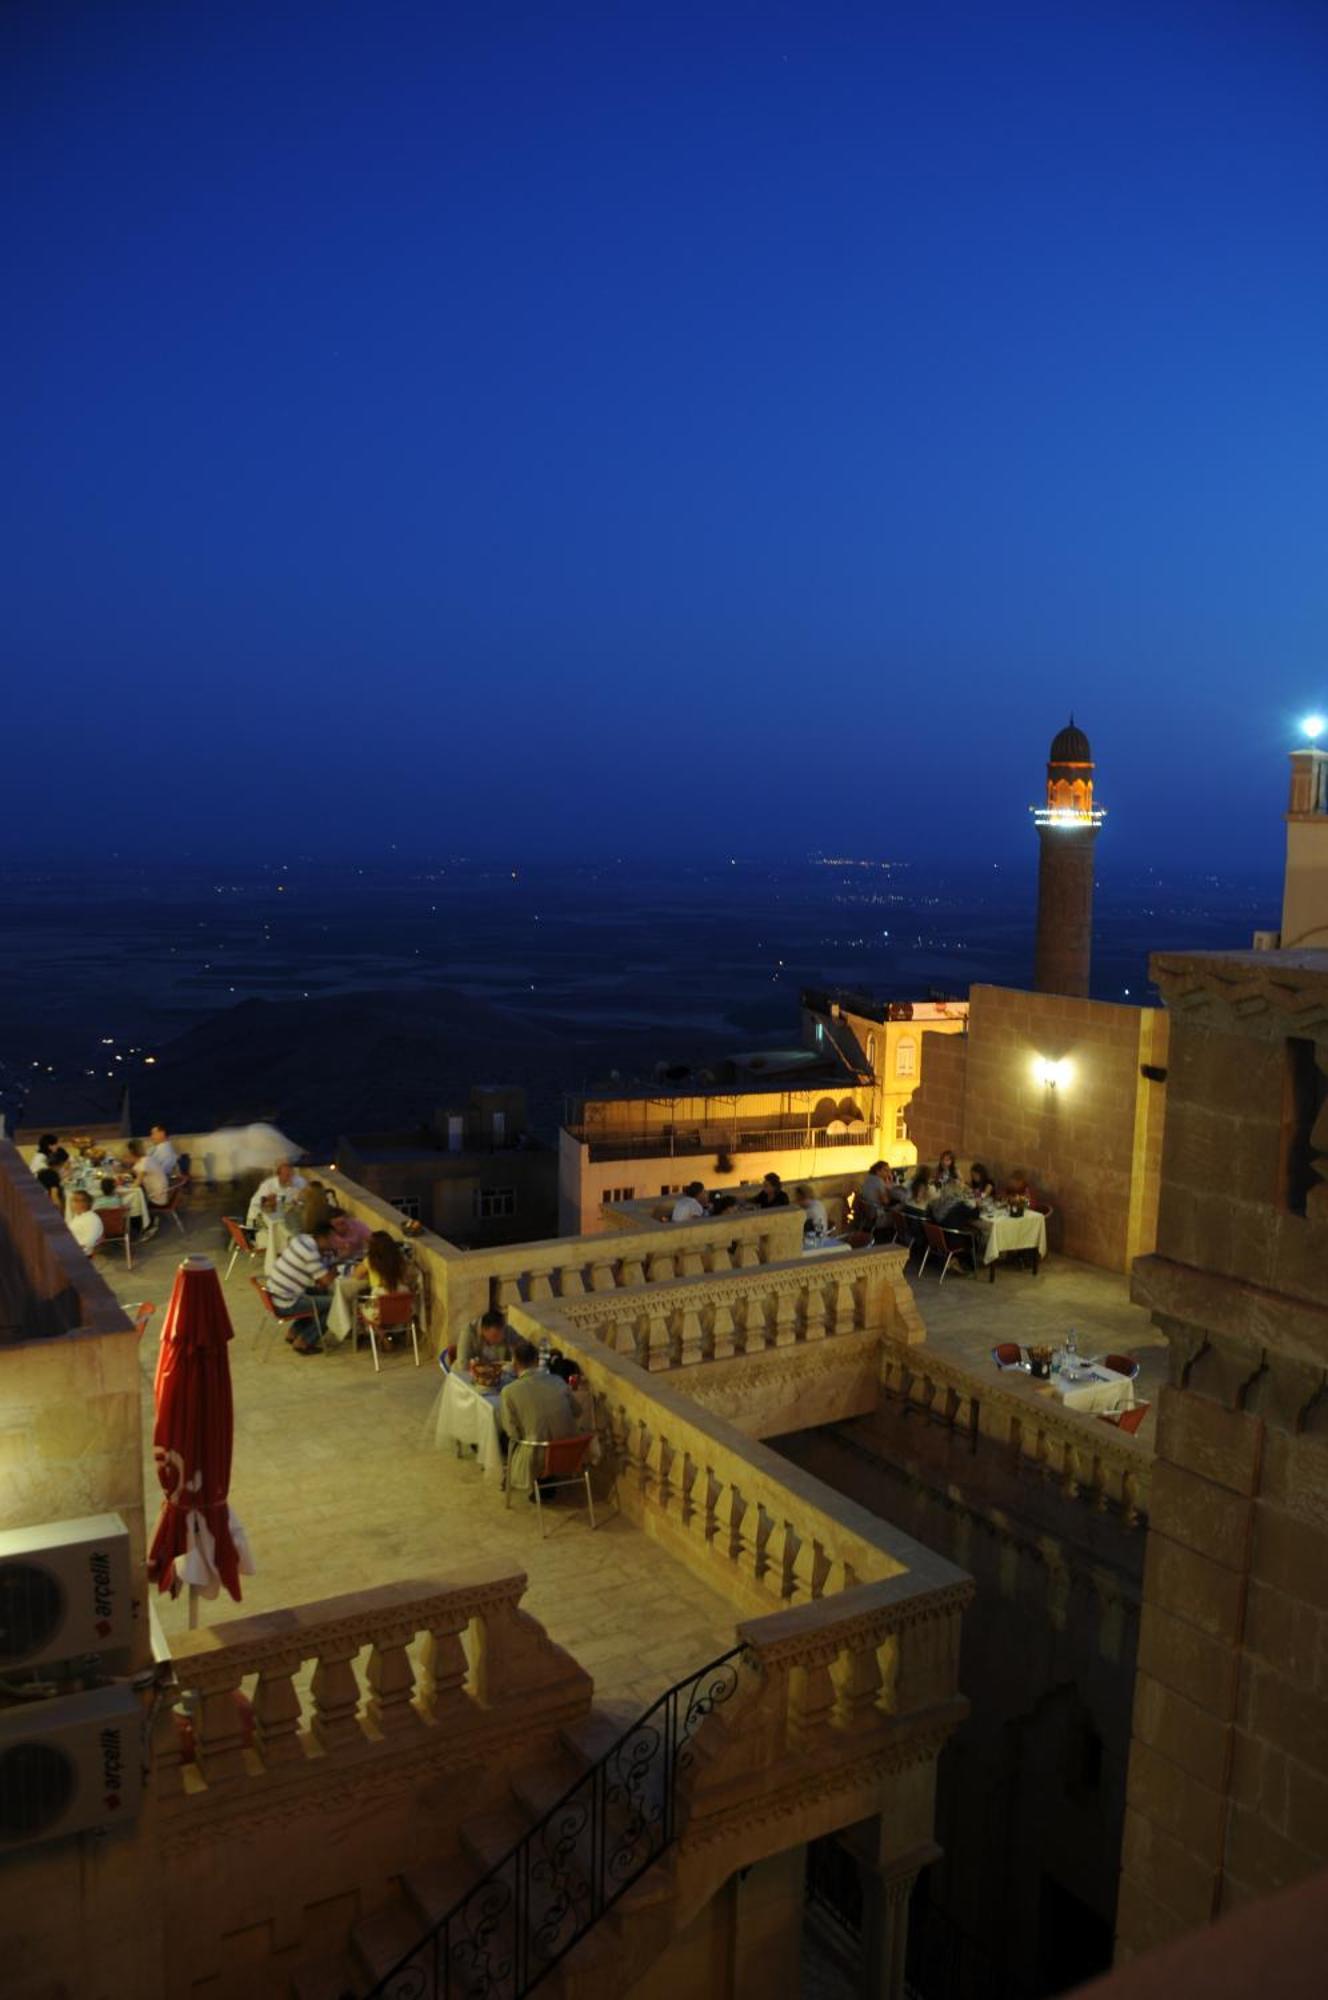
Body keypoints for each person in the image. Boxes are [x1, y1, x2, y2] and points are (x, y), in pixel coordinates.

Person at [499, 1339, 580, 1495]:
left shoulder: (509, 1391)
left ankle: (516, 1477)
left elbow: (512, 1433)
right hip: (570, 1452)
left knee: (503, 1437)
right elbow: (577, 1411)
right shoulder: (558, 1381)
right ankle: (547, 1484)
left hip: (538, 1456)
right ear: (537, 1361)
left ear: (515, 1365)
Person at [267, 1221, 340, 1352]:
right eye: (332, 1239)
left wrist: (329, 1255)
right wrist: (335, 1266)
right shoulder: (310, 1252)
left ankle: (293, 1333)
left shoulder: (302, 1239)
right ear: (323, 1237)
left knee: (321, 1295)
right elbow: (326, 1281)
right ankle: (305, 1341)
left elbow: (320, 1281)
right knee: (336, 1303)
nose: (334, 1242)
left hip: (276, 1294)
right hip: (286, 1302)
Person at [246, 1159, 307, 1230]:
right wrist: (267, 1201)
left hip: (288, 1218)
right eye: (287, 1175)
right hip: (263, 1220)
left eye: (291, 1174)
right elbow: (255, 1203)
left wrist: (299, 1202)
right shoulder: (268, 1185)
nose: (290, 1178)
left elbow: (304, 1200)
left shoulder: (298, 1183)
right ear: (279, 1175)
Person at [456, 1307, 515, 1373]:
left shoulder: (506, 1330)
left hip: (497, 1376)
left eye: (502, 1335)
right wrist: (485, 1368)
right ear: (483, 1330)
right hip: (467, 1375)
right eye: (495, 1336)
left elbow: (522, 1346)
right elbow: (463, 1364)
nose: (500, 1339)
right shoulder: (468, 1332)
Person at [855, 1161, 900, 1232]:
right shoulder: (878, 1182)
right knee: (900, 1209)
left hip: (867, 1215)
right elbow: (885, 1202)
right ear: (878, 1171)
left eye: (889, 1170)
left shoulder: (867, 1179)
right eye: (886, 1170)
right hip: (877, 1216)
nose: (889, 1173)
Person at [66, 1189, 104, 1256]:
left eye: (72, 1201)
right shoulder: (79, 1216)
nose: (70, 1204)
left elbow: (89, 1242)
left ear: (82, 1203)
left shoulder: (91, 1219)